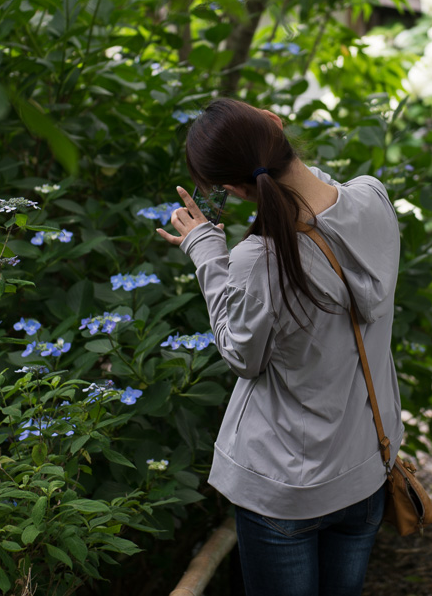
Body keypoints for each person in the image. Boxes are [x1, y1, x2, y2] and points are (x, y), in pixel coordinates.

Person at [156, 98, 403, 596]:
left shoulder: (261, 259)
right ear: (276, 125)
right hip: (366, 469)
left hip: (282, 490)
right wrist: (268, 136)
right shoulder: (372, 199)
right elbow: (326, 198)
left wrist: (205, 249)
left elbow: (240, 355)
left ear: (232, 188)